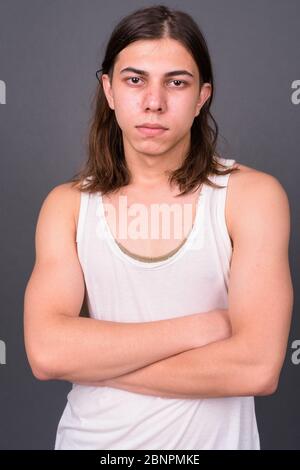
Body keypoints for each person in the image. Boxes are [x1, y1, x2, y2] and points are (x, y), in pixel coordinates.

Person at [23, 4, 293, 450]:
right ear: (108, 90)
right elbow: (48, 352)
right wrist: (200, 328)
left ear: (202, 95)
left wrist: (98, 361)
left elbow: (256, 368)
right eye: (135, 79)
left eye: (176, 82)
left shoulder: (252, 197)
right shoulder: (67, 205)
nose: (154, 101)